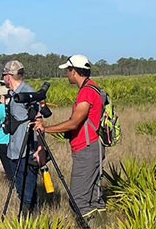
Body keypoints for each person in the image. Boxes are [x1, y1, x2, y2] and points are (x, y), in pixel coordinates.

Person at [35, 55, 108, 218]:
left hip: (86, 148)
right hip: (93, 146)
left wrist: (45, 129)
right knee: (94, 198)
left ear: (74, 71)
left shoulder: (86, 92)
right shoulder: (93, 88)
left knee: (78, 199)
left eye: (68, 70)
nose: (66, 74)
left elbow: (74, 123)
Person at [1, 60, 39, 211]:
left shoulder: (28, 93)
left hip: (27, 149)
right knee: (19, 186)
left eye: (4, 75)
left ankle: (29, 216)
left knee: (27, 187)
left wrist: (39, 148)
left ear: (8, 77)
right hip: (14, 149)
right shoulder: (12, 94)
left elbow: (38, 123)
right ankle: (26, 212)